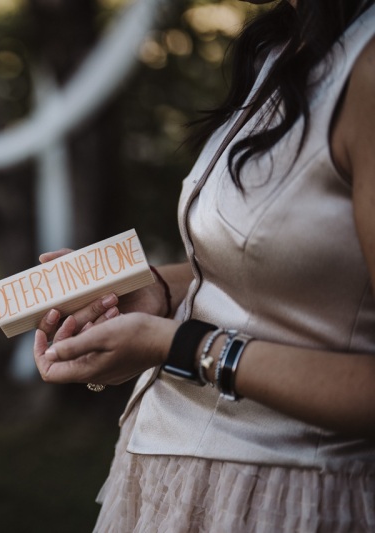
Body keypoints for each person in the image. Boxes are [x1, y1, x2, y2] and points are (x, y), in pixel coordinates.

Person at [32, 1, 375, 531]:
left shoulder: (368, 74)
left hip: (287, 497)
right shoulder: (284, 50)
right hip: (165, 473)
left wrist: (179, 346)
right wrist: (157, 293)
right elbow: (272, 275)